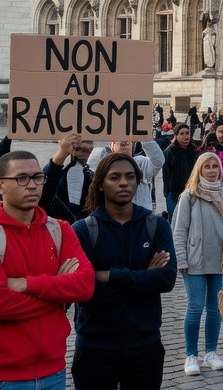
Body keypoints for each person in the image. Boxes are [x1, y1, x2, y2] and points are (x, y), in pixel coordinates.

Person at [0, 149, 95, 390]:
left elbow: (85, 285)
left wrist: (26, 284)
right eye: (22, 178)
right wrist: (57, 295)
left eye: (38, 177)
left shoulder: (61, 229)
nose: (32, 185)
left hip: (53, 371)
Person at [71, 153, 178, 390]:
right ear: (99, 183)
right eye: (114, 177)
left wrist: (110, 275)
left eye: (130, 177)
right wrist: (144, 278)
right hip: (95, 347)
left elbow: (167, 279)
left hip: (145, 344)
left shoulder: (156, 225)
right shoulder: (82, 230)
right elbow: (85, 292)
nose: (123, 183)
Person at [173, 151, 223, 376]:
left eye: (215, 167)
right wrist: (181, 258)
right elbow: (179, 231)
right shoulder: (189, 196)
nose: (211, 171)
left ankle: (210, 352)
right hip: (194, 261)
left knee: (214, 309)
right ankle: (191, 354)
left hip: (220, 259)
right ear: (199, 170)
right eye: (207, 167)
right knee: (194, 308)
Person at [87, 139, 166, 212]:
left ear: (133, 147)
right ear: (112, 146)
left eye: (127, 143)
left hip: (141, 219)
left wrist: (145, 137)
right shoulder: (105, 165)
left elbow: (159, 161)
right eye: (120, 143)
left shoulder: (142, 163)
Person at [40, 135, 95, 223]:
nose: (86, 146)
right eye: (78, 141)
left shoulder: (93, 174)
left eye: (89, 142)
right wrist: (63, 152)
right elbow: (46, 186)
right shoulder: (59, 171)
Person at [162, 124, 200, 217]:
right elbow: (166, 173)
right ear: (176, 135)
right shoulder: (170, 151)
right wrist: (167, 193)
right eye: (182, 134)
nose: (185, 136)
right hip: (174, 194)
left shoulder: (194, 150)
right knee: (174, 219)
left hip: (192, 192)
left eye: (187, 133)